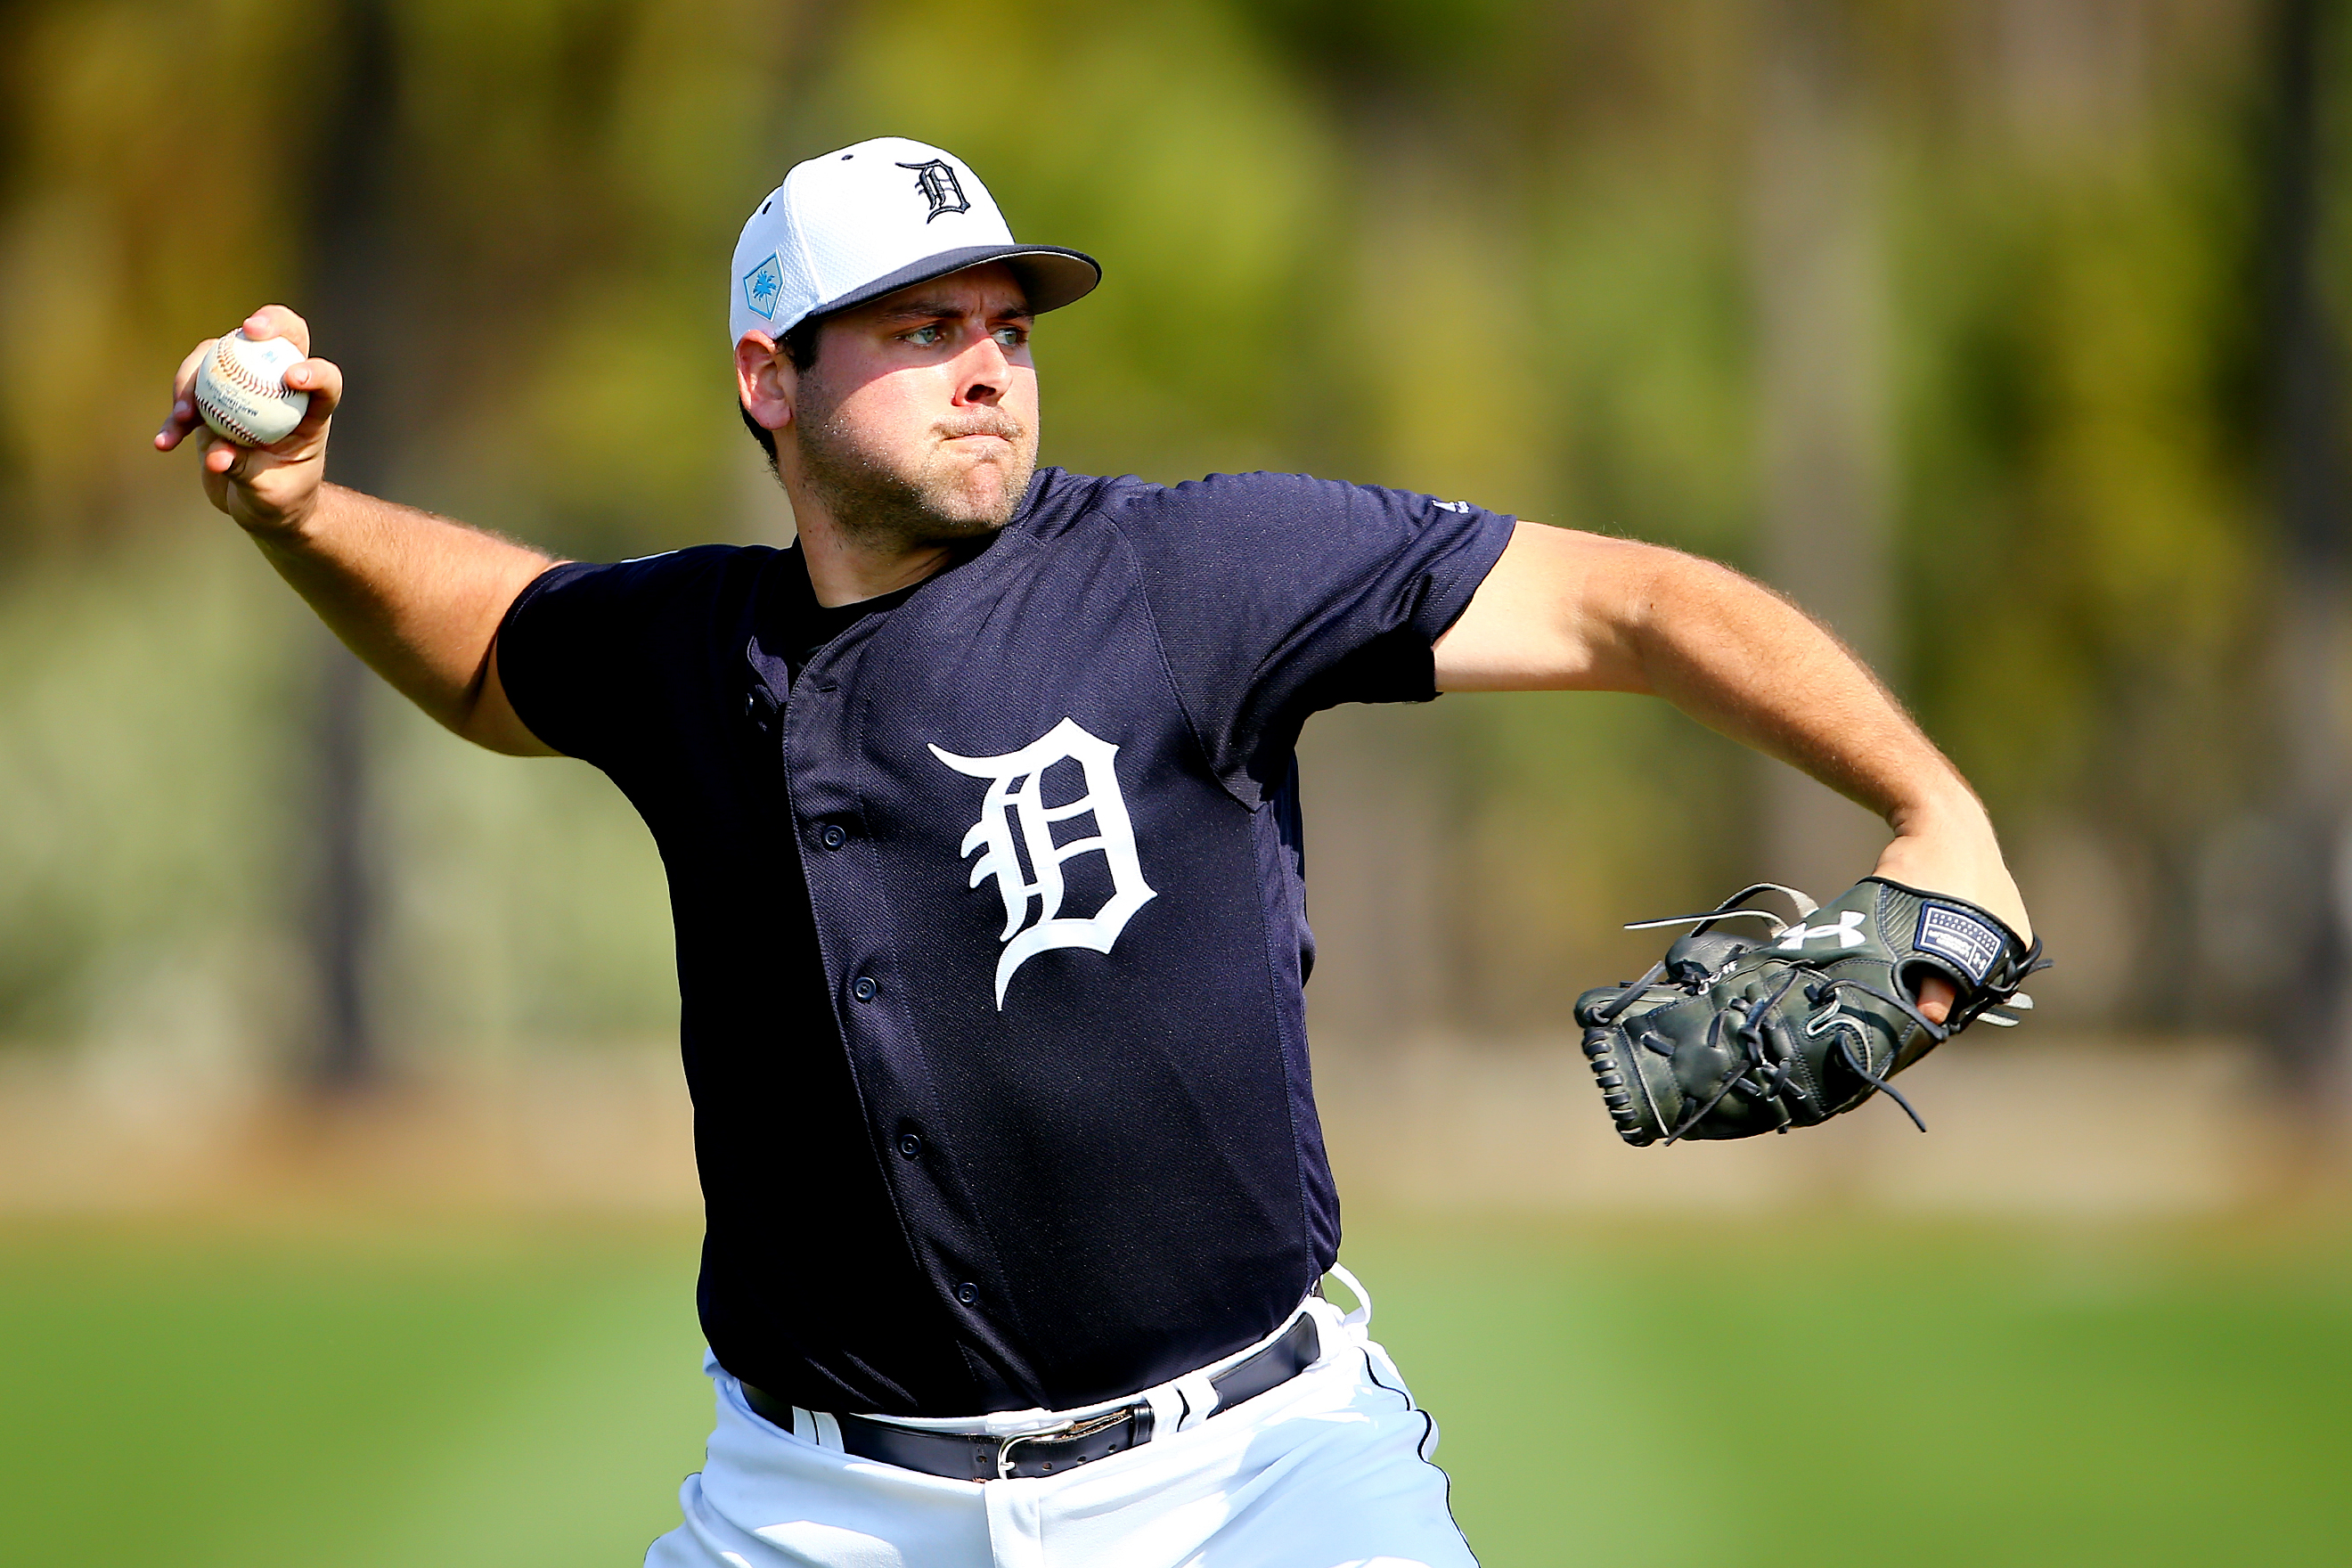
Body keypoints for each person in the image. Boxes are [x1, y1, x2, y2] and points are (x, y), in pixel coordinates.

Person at [157, 136, 2030, 1567]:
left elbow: (1627, 605)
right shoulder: (692, 650)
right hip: (822, 1507)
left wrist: (1934, 813)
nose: (988, 365)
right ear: (768, 380)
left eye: (1005, 324)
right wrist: (301, 511)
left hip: (1259, 1483)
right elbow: (498, 642)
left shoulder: (1193, 575)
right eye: (920, 327)